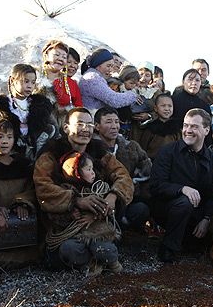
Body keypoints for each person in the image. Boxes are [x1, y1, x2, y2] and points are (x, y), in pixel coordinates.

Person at [33, 107, 134, 272]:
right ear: (66, 128)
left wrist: (113, 196)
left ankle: (99, 256)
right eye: (80, 124)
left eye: (89, 124)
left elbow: (123, 176)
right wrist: (76, 201)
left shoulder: (100, 152)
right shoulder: (50, 154)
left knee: (104, 248)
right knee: (69, 251)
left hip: (98, 220)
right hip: (66, 224)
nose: (85, 129)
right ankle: (95, 261)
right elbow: (43, 187)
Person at [150, 108, 213, 263]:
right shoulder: (167, 152)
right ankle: (168, 248)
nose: (188, 130)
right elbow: (156, 186)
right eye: (186, 125)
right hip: (167, 208)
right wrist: (182, 189)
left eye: (194, 127)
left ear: (206, 130)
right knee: (185, 202)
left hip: (198, 214)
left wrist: (207, 219)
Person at [0, 118, 40, 268]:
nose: (5, 141)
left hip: (19, 215)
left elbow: (31, 189)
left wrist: (23, 203)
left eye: (9, 137)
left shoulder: (23, 164)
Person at [55, 151, 123, 276]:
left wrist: (95, 215)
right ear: (77, 173)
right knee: (68, 248)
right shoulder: (65, 191)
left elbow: (109, 209)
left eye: (93, 168)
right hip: (77, 235)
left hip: (99, 232)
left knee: (103, 248)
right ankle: (90, 263)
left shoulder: (99, 187)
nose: (93, 172)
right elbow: (55, 212)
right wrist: (71, 214)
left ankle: (113, 263)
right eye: (88, 169)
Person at [0, 63, 56, 161]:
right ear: (13, 80)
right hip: (5, 159)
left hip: (36, 158)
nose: (30, 86)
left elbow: (53, 131)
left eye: (33, 82)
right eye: (26, 81)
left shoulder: (42, 106)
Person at [94, 107, 151, 233]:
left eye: (116, 122)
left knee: (141, 209)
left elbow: (145, 171)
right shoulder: (90, 149)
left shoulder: (131, 147)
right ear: (97, 126)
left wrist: (128, 187)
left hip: (124, 200)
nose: (114, 126)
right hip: (98, 201)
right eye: (108, 122)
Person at [38, 40, 83, 128]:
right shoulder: (35, 77)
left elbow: (79, 109)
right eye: (57, 55)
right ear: (46, 56)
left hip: (63, 129)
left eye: (64, 57)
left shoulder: (71, 83)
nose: (60, 58)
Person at [135, 93, 181, 160]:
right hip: (153, 162)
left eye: (170, 106)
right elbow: (143, 147)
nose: (167, 109)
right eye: (163, 106)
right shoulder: (150, 128)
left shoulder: (176, 128)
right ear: (155, 108)